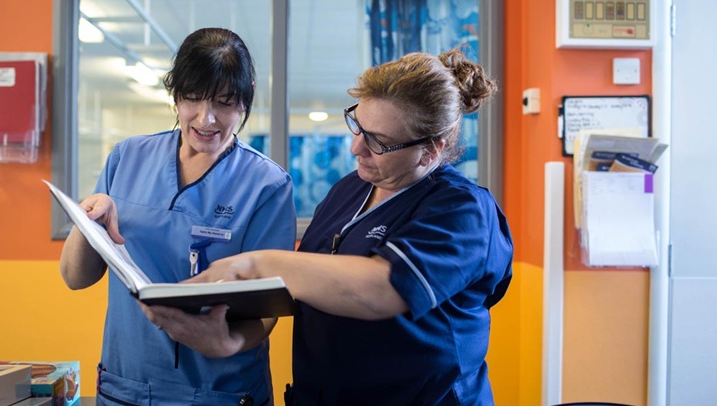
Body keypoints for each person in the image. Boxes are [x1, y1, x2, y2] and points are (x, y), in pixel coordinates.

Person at [189, 47, 513, 405]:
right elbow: (312, 285)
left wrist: (257, 263)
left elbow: (381, 289)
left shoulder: (464, 211)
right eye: (357, 125)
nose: (356, 147)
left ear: (431, 151)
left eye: (379, 141)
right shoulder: (350, 189)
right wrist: (229, 333)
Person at [59, 27, 296, 406]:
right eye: (194, 99)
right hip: (127, 386)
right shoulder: (126, 158)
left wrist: (223, 342)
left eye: (224, 102)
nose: (207, 118)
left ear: (245, 99)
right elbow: (75, 277)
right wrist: (89, 220)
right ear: (175, 95)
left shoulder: (266, 185)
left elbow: (266, 311)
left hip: (221, 390)